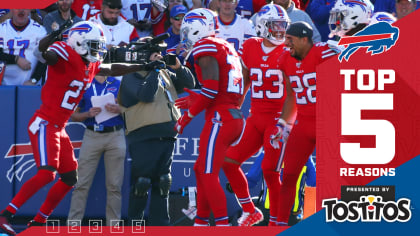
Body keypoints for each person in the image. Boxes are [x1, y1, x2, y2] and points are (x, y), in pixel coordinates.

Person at [0, 21, 155, 235]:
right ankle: (6, 215)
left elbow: (111, 68)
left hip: (59, 127)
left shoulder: (89, 64)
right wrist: (54, 34)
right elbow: (43, 52)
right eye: (93, 45)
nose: (97, 50)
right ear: (79, 42)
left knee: (71, 177)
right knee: (47, 174)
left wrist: (143, 66)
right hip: (45, 122)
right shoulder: (64, 54)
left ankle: (38, 221)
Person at [222, 3, 295, 226]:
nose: (281, 31)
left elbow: (293, 94)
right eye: (276, 25)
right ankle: (250, 210)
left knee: (270, 171)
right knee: (229, 161)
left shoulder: (288, 52)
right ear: (262, 26)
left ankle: (277, 223)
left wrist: (284, 123)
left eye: (284, 26)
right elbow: (245, 79)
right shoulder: (251, 46)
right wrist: (235, 105)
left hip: (278, 117)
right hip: (256, 117)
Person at [174, 8, 245, 226]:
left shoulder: (206, 45)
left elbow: (212, 90)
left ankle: (222, 225)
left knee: (207, 172)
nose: (185, 35)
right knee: (200, 169)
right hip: (230, 114)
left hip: (220, 117)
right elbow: (229, 84)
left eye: (188, 30)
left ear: (198, 27)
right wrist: (200, 99)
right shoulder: (227, 46)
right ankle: (201, 222)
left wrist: (186, 118)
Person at [119, 37, 195, 225]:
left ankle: (161, 225)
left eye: (159, 53)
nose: (159, 56)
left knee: (163, 183)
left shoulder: (163, 72)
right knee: (142, 183)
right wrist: (154, 68)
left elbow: (190, 84)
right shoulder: (131, 73)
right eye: (154, 53)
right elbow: (146, 95)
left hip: (168, 134)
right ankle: (135, 225)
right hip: (144, 136)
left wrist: (178, 67)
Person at [273, 21, 337, 226]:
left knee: (334, 178)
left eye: (290, 39)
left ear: (304, 39)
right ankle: (280, 224)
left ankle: (331, 223)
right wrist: (283, 123)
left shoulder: (324, 52)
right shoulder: (285, 59)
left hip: (329, 121)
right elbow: (291, 96)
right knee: (289, 174)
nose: (286, 43)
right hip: (303, 123)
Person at [67, 75, 126, 226]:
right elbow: (73, 115)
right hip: (92, 134)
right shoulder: (85, 84)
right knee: (81, 183)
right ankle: (73, 226)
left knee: (114, 185)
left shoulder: (118, 83)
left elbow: (133, 109)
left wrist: (120, 109)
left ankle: (113, 227)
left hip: (115, 134)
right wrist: (88, 114)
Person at [0, 9, 47, 86]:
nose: (21, 10)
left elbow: (43, 59)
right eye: (17, 7)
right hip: (3, 85)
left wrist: (34, 80)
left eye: (25, 7)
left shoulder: (40, 30)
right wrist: (16, 59)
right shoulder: (1, 29)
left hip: (29, 86)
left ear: (29, 10)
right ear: (11, 10)